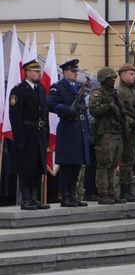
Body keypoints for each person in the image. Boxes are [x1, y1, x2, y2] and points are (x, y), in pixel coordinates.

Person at [47, 59, 90, 207]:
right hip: (67, 128)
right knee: (67, 166)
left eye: (76, 71)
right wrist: (65, 109)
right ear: (65, 72)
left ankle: (73, 195)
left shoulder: (78, 87)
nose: (76, 73)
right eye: (73, 71)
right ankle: (65, 196)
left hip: (79, 129)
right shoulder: (58, 87)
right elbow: (50, 104)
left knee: (77, 165)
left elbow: (83, 107)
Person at [8, 59, 50, 210]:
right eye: (35, 71)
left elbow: (44, 114)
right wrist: (19, 139)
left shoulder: (41, 89)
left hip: (39, 133)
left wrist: (45, 136)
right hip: (26, 133)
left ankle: (34, 197)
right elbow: (15, 117)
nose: (38, 73)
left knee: (38, 167)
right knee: (26, 167)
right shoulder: (18, 90)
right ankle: (25, 199)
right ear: (26, 72)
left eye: (39, 71)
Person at [89, 67, 126, 205]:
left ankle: (112, 192)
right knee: (104, 164)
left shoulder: (116, 93)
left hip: (117, 132)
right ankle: (103, 192)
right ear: (104, 79)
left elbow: (122, 112)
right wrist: (108, 105)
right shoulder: (97, 94)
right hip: (104, 133)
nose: (113, 80)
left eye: (114, 78)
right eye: (111, 78)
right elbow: (94, 110)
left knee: (114, 164)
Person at [116, 64, 135, 202]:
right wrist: (132, 122)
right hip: (126, 131)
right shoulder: (119, 92)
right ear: (121, 75)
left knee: (132, 160)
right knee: (126, 162)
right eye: (130, 74)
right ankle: (124, 191)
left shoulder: (134, 92)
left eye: (134, 74)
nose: (134, 76)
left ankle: (129, 189)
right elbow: (120, 113)